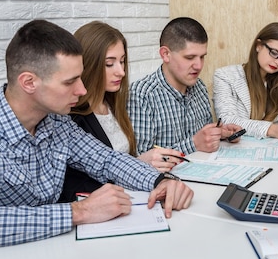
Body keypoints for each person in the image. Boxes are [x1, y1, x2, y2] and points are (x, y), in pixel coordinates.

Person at [0, 19, 194, 254]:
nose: (81, 90)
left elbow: (106, 160)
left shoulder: (56, 122)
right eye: (70, 82)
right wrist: (78, 212)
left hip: (47, 255)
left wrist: (161, 180)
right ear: (29, 82)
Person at [58, 21, 185, 202]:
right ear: (86, 65)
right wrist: (140, 163)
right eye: (109, 64)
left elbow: (116, 159)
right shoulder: (71, 119)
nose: (121, 72)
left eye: (122, 61)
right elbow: (85, 183)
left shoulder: (115, 103)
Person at [128, 17, 242, 155]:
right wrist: (194, 144)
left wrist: (220, 134)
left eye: (202, 57)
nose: (199, 66)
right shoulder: (141, 95)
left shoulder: (199, 86)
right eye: (189, 58)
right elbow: (140, 159)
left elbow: (203, 138)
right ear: (166, 54)